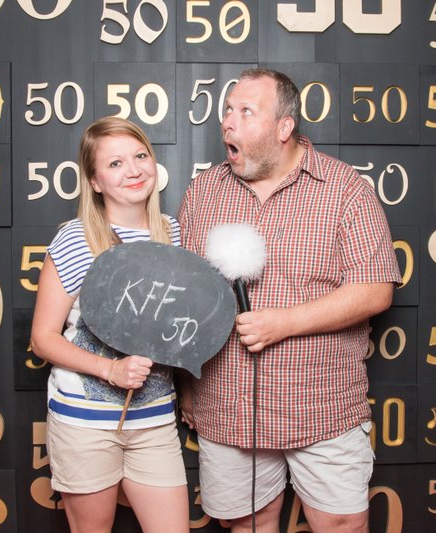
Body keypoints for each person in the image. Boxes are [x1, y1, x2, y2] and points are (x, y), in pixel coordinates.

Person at [178, 69, 401, 532]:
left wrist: (283, 323)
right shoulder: (204, 192)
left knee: (341, 525)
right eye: (228, 110)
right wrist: (186, 387)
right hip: (228, 407)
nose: (228, 122)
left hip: (320, 406)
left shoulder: (345, 190)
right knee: (247, 524)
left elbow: (376, 288)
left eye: (246, 111)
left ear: (284, 127)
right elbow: (186, 296)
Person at [30, 116, 189, 533]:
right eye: (115, 163)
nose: (133, 170)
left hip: (154, 418)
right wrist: (110, 369)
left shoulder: (173, 234)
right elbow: (42, 339)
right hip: (85, 423)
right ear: (94, 181)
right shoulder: (75, 238)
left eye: (140, 156)